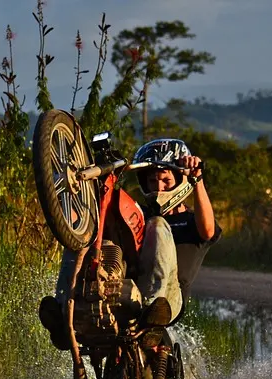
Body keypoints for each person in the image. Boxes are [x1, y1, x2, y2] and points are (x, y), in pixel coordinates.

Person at [39, 138, 220, 349]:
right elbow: (80, 221)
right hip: (123, 293)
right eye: (152, 181)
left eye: (165, 181)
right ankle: (63, 310)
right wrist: (70, 191)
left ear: (180, 180)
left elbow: (208, 230)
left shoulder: (190, 220)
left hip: (167, 303)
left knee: (158, 225)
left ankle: (152, 314)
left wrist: (197, 179)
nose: (158, 187)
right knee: (85, 237)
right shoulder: (140, 216)